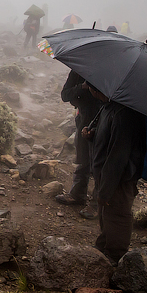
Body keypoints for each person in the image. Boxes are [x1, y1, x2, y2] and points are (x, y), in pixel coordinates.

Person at [86, 82, 146, 264]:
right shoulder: (110, 107)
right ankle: (104, 246)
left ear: (96, 90)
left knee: (118, 213)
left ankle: (116, 257)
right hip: (107, 175)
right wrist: (92, 134)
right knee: (106, 211)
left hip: (120, 177)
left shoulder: (124, 114)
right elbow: (108, 138)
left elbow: (117, 157)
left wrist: (106, 189)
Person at [56, 70, 104, 219]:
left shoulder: (110, 71)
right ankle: (77, 194)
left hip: (106, 121)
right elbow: (65, 95)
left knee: (101, 162)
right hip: (84, 119)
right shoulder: (77, 70)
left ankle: (97, 204)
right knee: (83, 157)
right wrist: (82, 87)